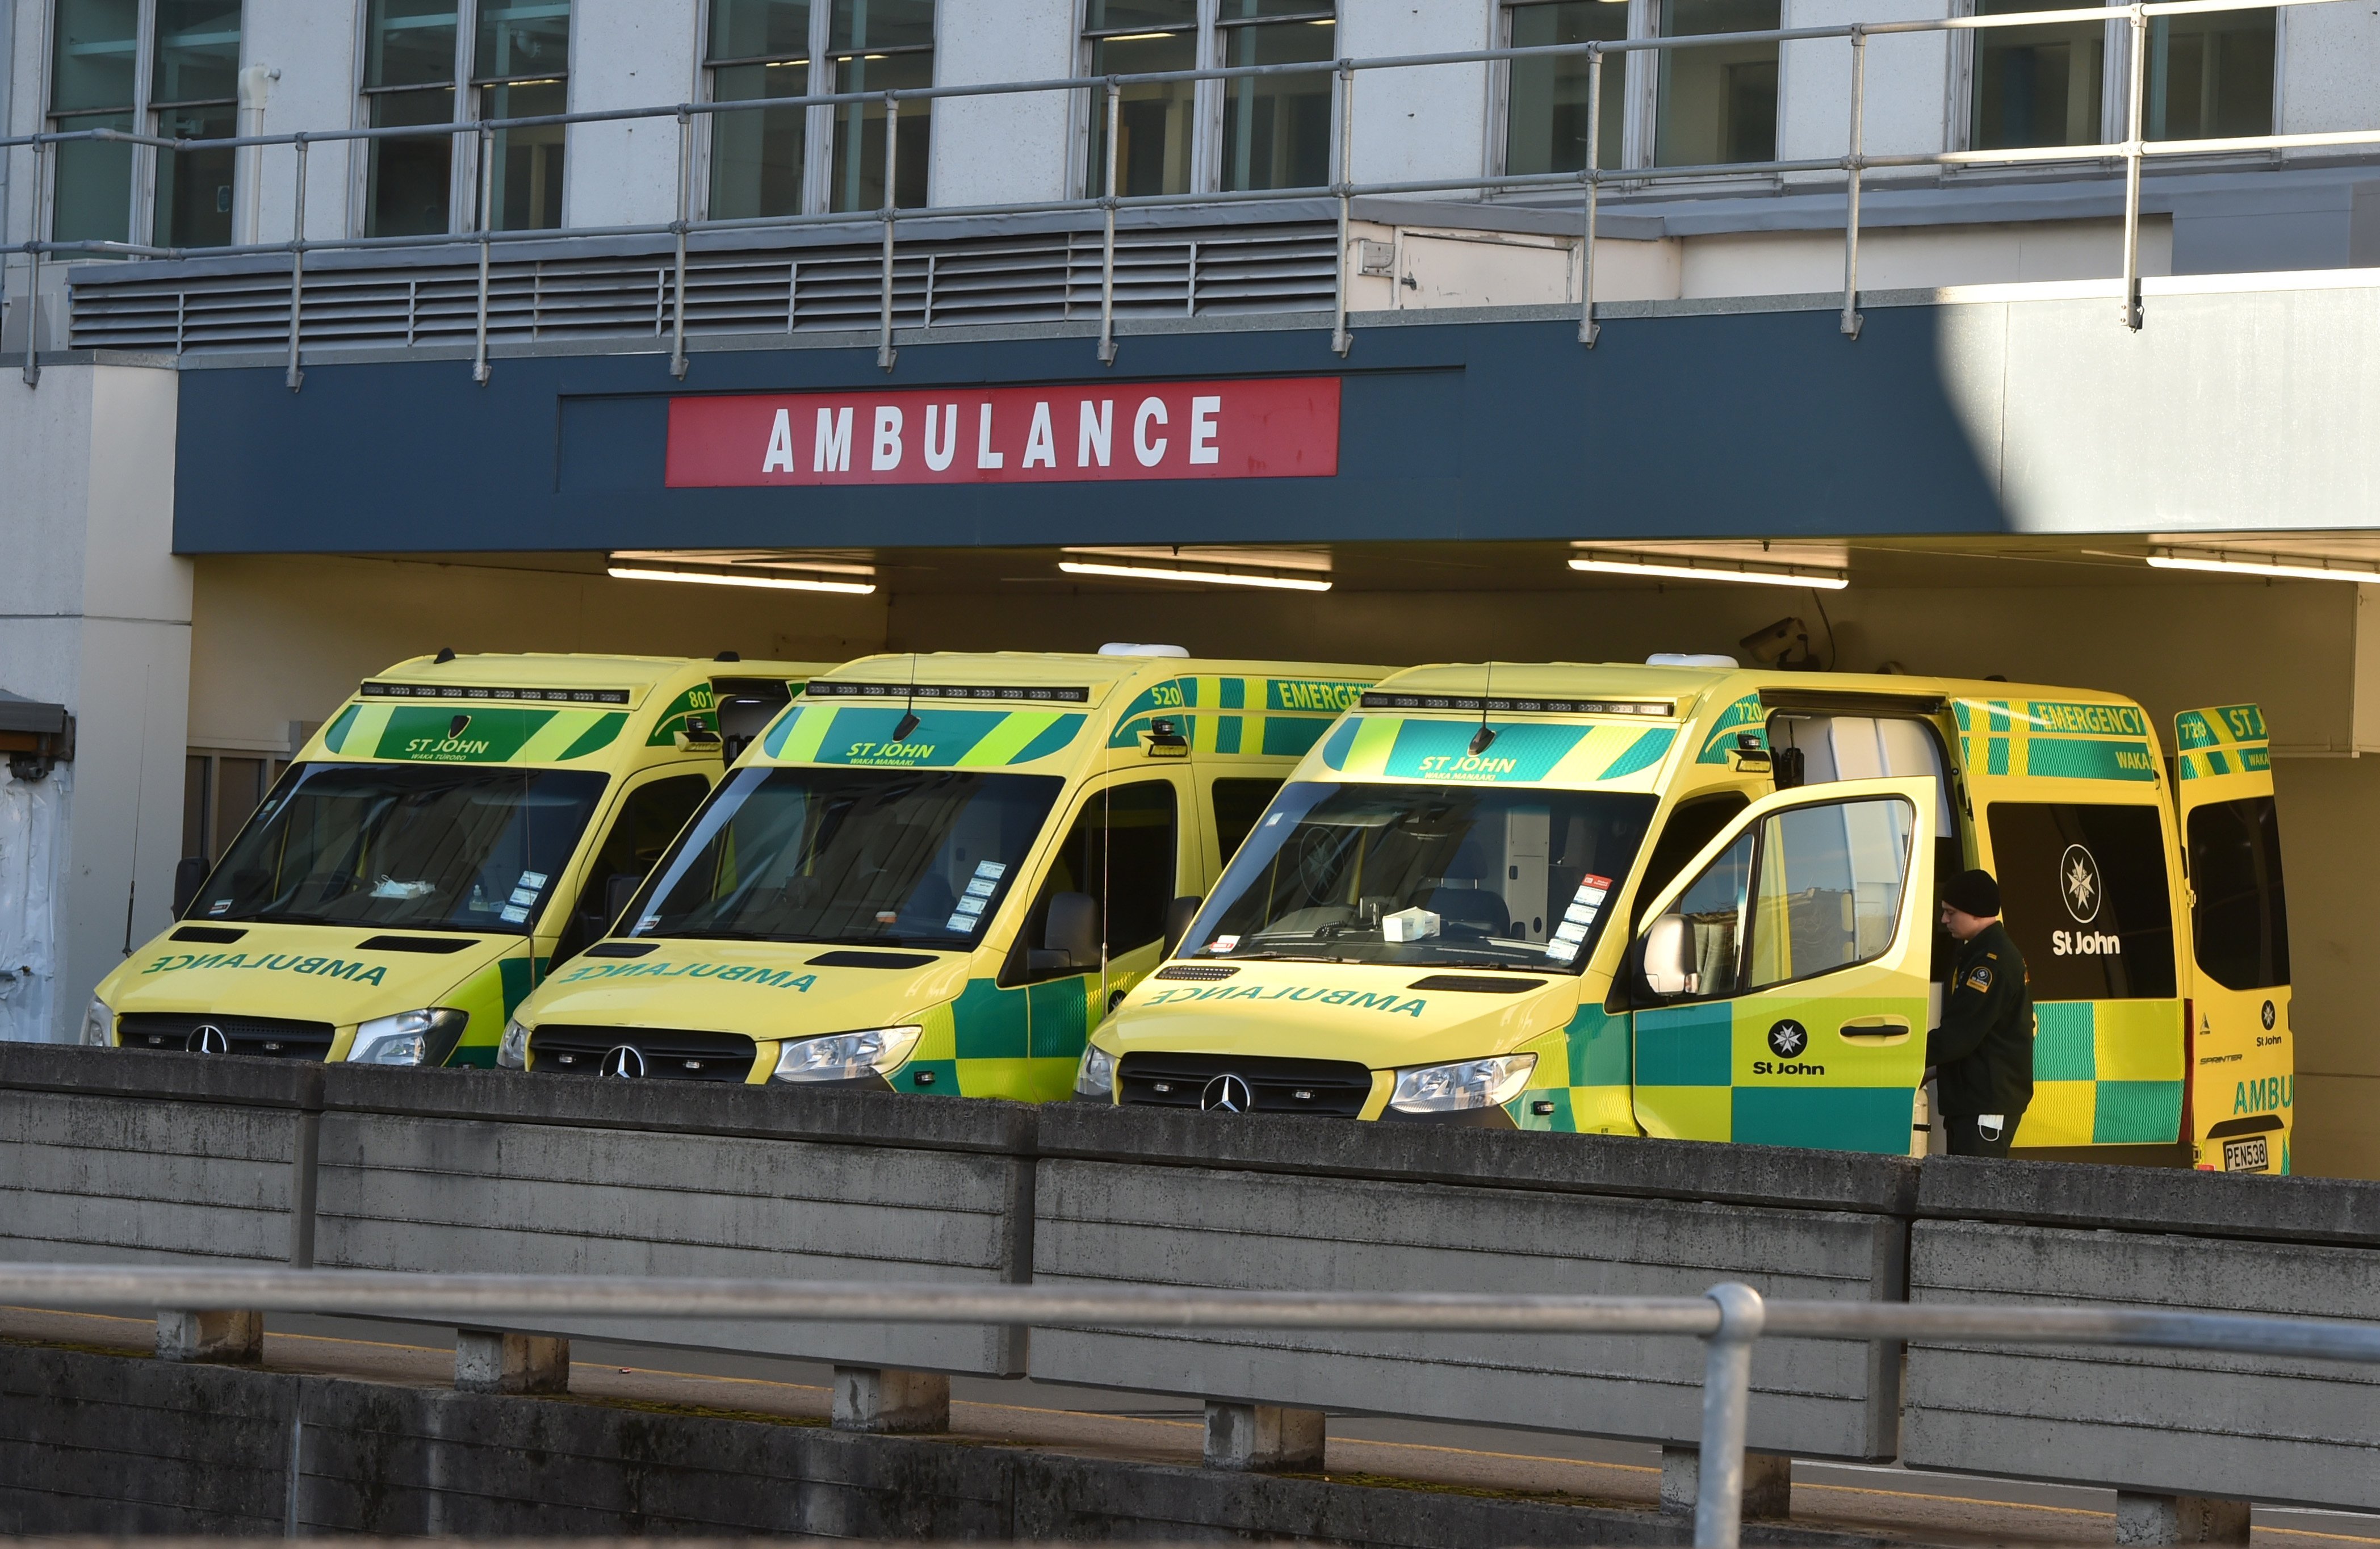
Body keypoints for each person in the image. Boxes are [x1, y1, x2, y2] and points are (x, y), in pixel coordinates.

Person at [1926, 869, 2034, 1157]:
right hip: (1974, 1102)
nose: (1944, 920)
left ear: (1975, 912)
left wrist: (1904, 1055)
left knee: (1975, 1195)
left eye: (1951, 912)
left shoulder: (1990, 963)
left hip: (1985, 1107)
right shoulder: (1977, 953)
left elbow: (1959, 1035)